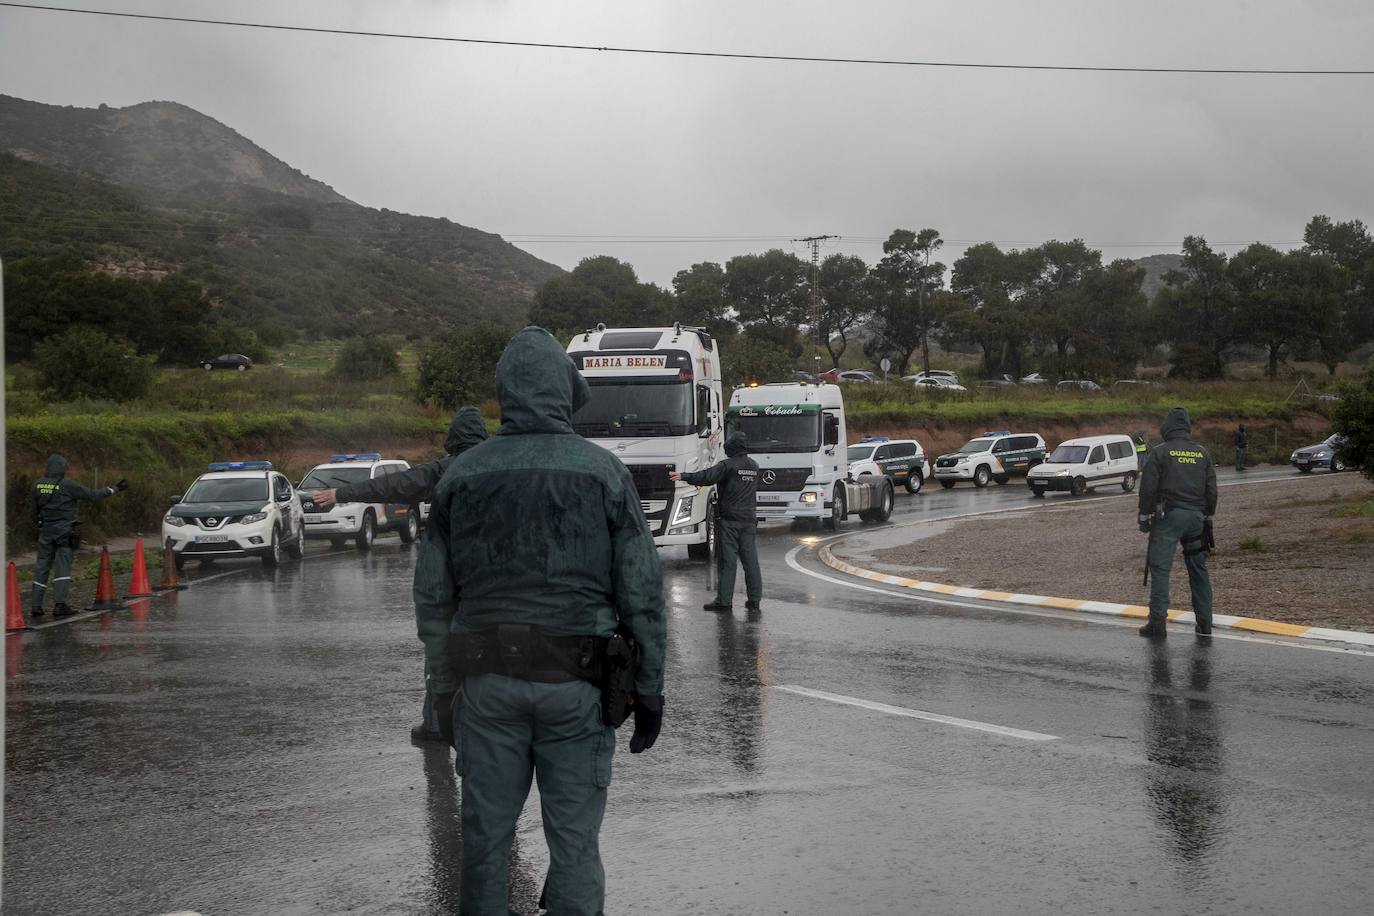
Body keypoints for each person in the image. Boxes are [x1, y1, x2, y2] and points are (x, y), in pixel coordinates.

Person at [414, 327, 666, 916]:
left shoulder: (461, 475)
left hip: (485, 686)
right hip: (577, 689)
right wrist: (649, 687)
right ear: (563, 390)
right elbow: (642, 592)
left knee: (483, 846)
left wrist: (444, 691)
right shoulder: (605, 473)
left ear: (506, 391)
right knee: (575, 845)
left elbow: (432, 598)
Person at [312, 406, 489, 743]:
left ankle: (438, 724)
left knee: (438, 648)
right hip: (490, 576)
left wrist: (341, 493)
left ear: (454, 438)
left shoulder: (445, 469)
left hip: (444, 576)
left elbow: (393, 485)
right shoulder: (503, 465)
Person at [1137, 408, 1217, 639]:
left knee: (1161, 569)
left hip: (1169, 518)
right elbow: (1211, 490)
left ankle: (1157, 624)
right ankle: (1205, 624)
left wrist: (1144, 516)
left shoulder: (1160, 453)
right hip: (1196, 519)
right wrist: (1207, 516)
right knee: (1198, 570)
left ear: (1167, 428)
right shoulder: (1202, 453)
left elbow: (1148, 488)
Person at [669, 431, 762, 613]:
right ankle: (754, 600)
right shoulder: (754, 466)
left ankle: (724, 601)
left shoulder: (727, 466)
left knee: (727, 562)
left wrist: (684, 476)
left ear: (732, 447)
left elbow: (707, 476)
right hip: (749, 520)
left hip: (730, 521)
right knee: (751, 562)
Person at [30, 454, 127, 620]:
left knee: (41, 567)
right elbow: (93, 496)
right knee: (62, 568)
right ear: (62, 469)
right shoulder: (68, 485)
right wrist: (114, 488)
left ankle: (36, 606)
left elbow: (33, 512)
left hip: (46, 532)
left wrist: (40, 525)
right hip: (65, 533)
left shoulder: (37, 485)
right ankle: (59, 605)